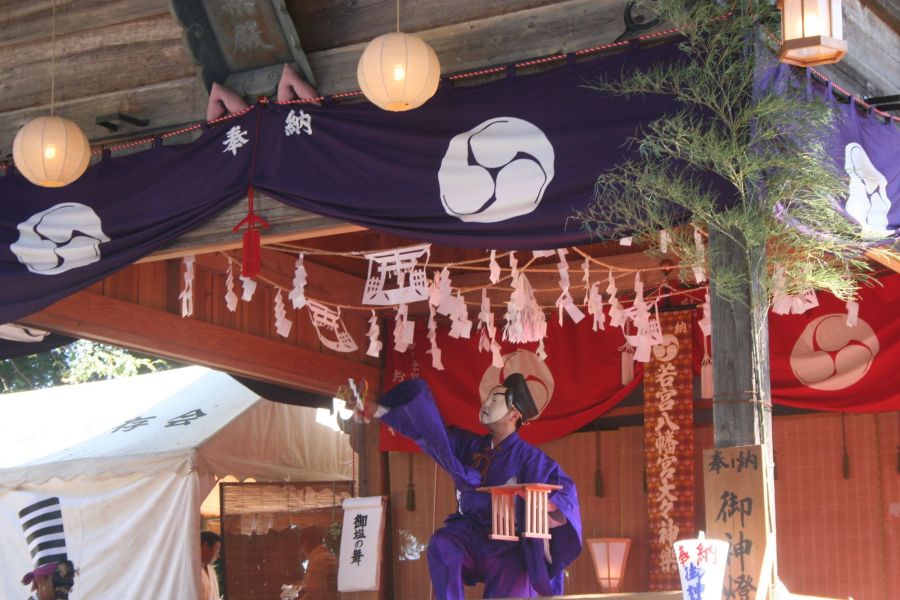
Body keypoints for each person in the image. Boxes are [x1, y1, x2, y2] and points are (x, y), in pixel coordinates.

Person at [361, 373, 582, 599]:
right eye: (488, 398)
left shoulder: (531, 458)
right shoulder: (469, 444)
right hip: (469, 534)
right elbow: (430, 432)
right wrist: (379, 410)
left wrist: (547, 503)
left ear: (514, 415)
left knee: (513, 582)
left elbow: (565, 490)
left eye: (495, 400)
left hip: (510, 547)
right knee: (442, 544)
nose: (486, 404)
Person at [297, 525, 338, 599]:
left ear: (305, 544)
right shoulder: (327, 556)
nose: (301, 550)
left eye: (301, 546)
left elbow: (312, 594)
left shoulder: (318, 561)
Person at [200, 531, 221, 600]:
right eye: (217, 548)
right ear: (206, 546)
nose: (218, 555)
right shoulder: (192, 570)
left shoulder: (211, 570)